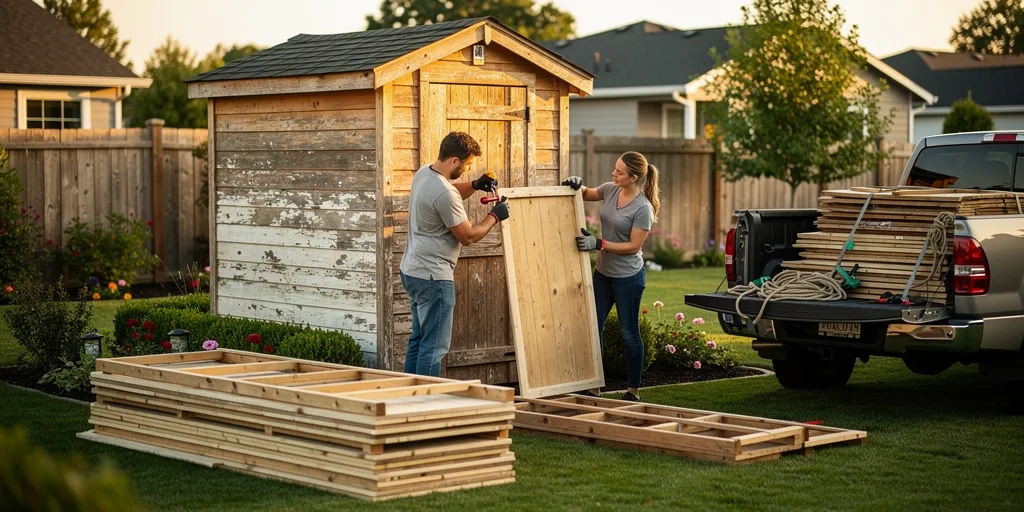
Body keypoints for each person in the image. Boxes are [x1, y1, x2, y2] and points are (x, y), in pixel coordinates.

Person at [400, 131, 510, 377]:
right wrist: (495, 216)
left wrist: (473, 185)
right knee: (434, 347)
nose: (468, 168)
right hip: (433, 278)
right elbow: (468, 236)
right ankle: (426, 404)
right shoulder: (446, 193)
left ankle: (406, 398)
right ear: (455, 161)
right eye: (467, 164)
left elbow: (445, 193)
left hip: (412, 270)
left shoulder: (424, 173)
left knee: (419, 340)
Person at [562, 152, 660, 402]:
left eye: (619, 172)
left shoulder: (642, 208)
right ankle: (594, 385)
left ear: (633, 177)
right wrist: (576, 183)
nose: (613, 174)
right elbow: (587, 193)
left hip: (628, 277)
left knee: (629, 333)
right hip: (603, 274)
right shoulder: (611, 189)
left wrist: (599, 243)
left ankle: (633, 390)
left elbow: (632, 246)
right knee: (594, 329)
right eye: (614, 169)